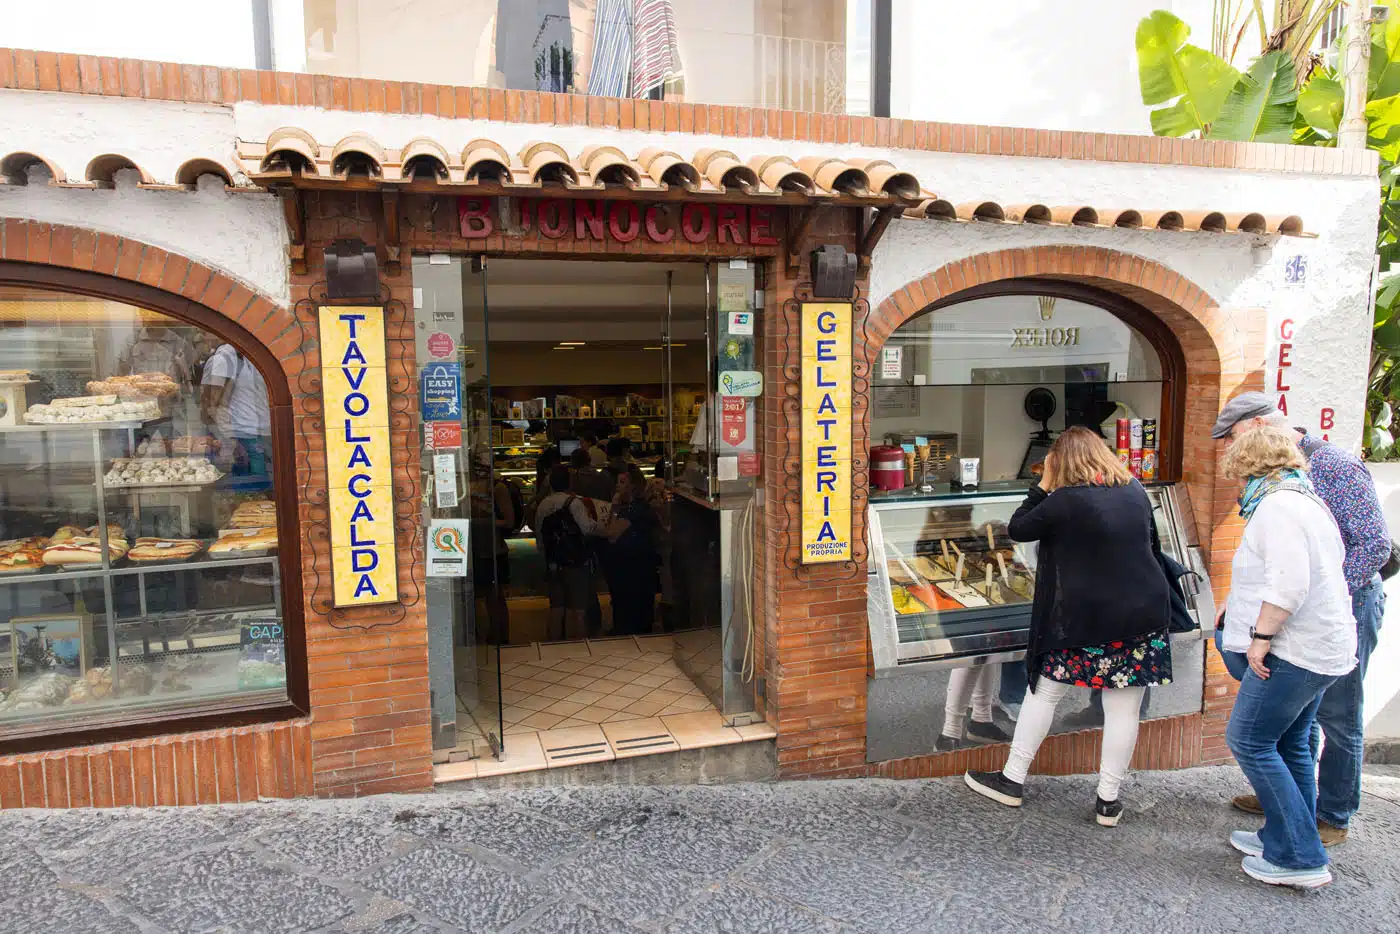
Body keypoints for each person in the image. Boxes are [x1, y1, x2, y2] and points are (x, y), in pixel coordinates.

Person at [964, 426, 1172, 828]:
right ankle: (1108, 801)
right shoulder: (1133, 490)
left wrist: (1042, 484)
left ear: (1062, 461)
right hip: (1141, 617)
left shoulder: (1065, 500)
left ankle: (1012, 779)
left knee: (1044, 695)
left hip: (1080, 621)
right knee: (1123, 709)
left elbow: (1019, 528)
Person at [1211, 392, 1389, 845]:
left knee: (1338, 717)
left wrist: (1315, 600)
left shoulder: (1331, 466)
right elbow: (1274, 563)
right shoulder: (1269, 484)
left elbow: (1373, 546)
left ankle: (1332, 815)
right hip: (1295, 612)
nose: (1227, 447)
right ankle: (1290, 800)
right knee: (1296, 724)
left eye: (1230, 436)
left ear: (1253, 428)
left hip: (1344, 608)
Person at [1217, 425, 1357, 888]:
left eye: (1237, 471)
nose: (1236, 481)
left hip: (1293, 651)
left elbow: (1288, 585)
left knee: (1250, 740)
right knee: (1292, 743)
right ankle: (1281, 833)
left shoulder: (1276, 507)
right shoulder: (1304, 498)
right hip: (1324, 647)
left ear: (1250, 465)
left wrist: (1259, 637)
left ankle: (1299, 856)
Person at [534, 466, 606, 641]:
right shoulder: (574, 503)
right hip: (576, 561)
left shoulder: (543, 504)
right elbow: (587, 528)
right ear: (570, 482)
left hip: (553, 562)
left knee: (556, 608)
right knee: (579, 609)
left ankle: (553, 645)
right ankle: (579, 646)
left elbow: (539, 535)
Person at [200, 343, 272, 485]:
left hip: (252, 429)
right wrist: (224, 431)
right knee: (249, 479)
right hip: (241, 430)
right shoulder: (225, 358)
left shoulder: (249, 358)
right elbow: (214, 398)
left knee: (253, 478)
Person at [602, 465, 658, 636]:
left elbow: (611, 533)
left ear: (632, 485)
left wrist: (615, 507)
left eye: (622, 482)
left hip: (631, 567)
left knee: (630, 608)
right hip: (637, 565)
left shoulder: (633, 510)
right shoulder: (639, 508)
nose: (618, 486)